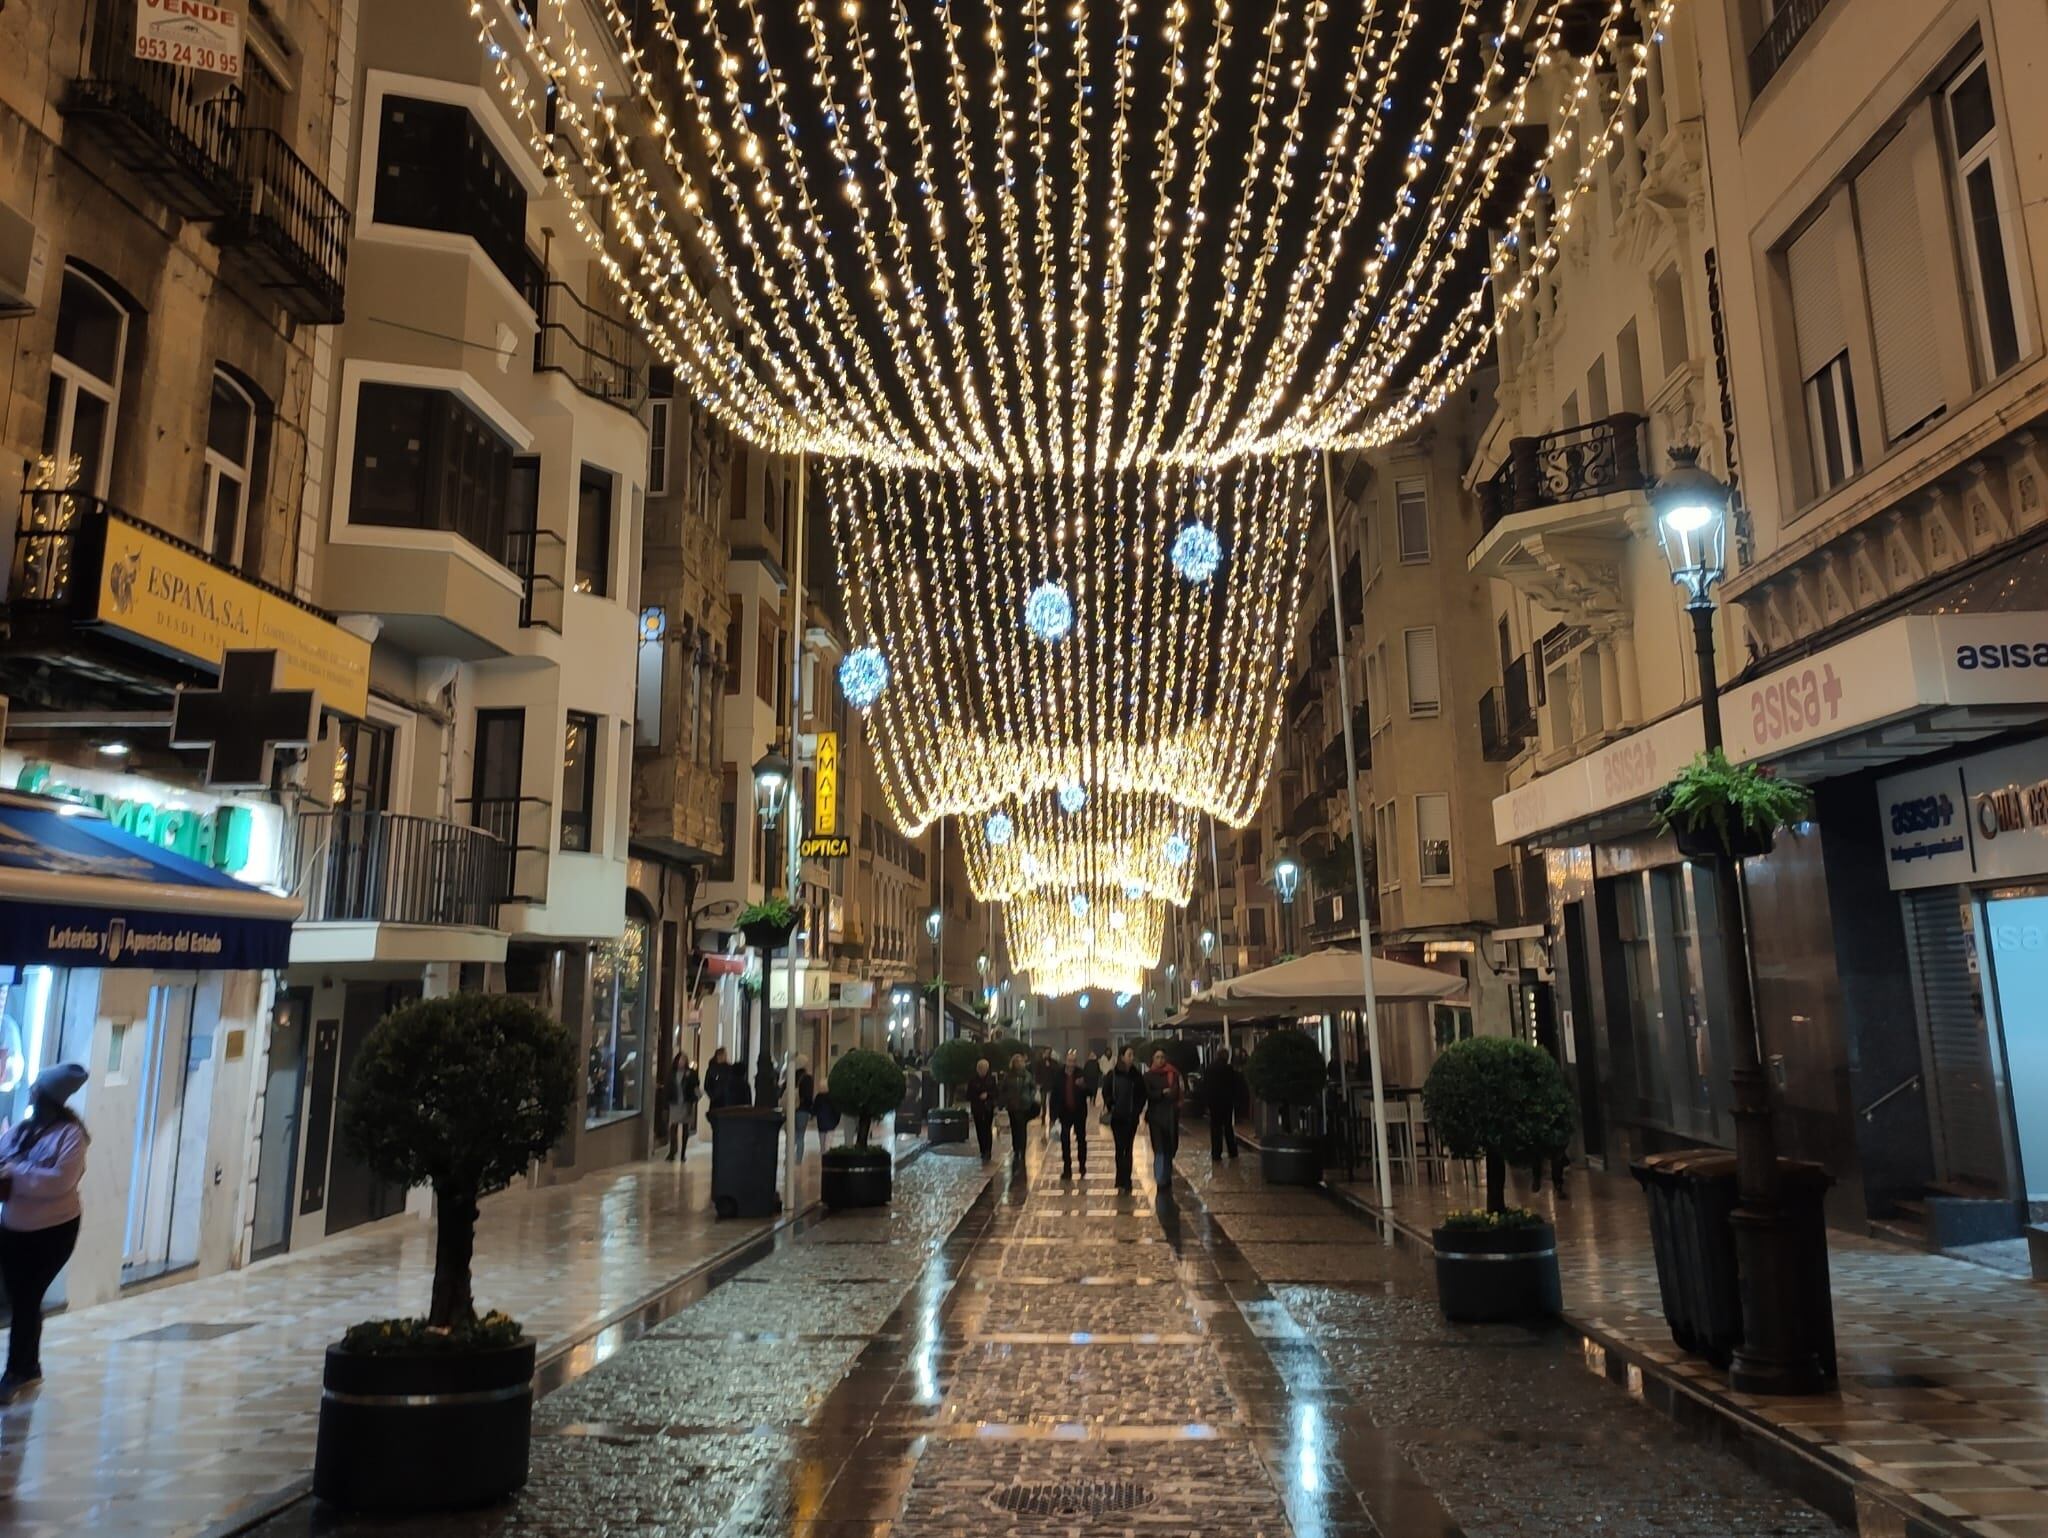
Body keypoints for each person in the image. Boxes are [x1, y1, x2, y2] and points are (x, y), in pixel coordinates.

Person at [0, 1063, 89, 1403]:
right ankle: (28, 1366)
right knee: (23, 1297)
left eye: (38, 1089)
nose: (32, 1092)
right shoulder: (23, 1129)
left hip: (52, 1232)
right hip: (13, 1227)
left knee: (26, 1297)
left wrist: (17, 1172)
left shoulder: (71, 1137)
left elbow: (60, 1181)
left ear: (49, 1098)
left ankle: (15, 1372)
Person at [1102, 1046, 1145, 1192]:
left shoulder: (1136, 1075)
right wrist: (1110, 1104)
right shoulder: (1113, 1075)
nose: (1132, 1057)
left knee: (1129, 1148)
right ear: (1122, 1057)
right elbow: (1106, 1091)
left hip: (1131, 1118)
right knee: (1120, 1149)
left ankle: (1127, 1179)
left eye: (1132, 1055)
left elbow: (1141, 1095)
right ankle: (1120, 1179)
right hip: (1117, 1117)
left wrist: (1137, 1110)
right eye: (1129, 1054)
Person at [1144, 1049, 1182, 1189]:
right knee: (1159, 1147)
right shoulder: (1148, 1076)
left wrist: (1171, 1094)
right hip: (1156, 1117)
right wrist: (1161, 1093)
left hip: (1171, 1115)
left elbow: (1177, 1091)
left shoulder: (1172, 1073)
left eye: (1162, 1057)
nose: (1160, 1060)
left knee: (1170, 1146)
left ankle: (1166, 1175)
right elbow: (1147, 1094)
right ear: (1152, 1059)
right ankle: (1160, 1178)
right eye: (1157, 1057)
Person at [1055, 1049, 1093, 1180]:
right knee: (1065, 1140)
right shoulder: (1059, 1074)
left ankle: (1082, 1165)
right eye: (1069, 1061)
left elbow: (1090, 1092)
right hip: (1064, 1113)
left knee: (1081, 1140)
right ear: (1066, 1060)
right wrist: (1053, 1115)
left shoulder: (1081, 1073)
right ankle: (1067, 1168)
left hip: (1079, 1113)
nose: (1071, 1064)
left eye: (1074, 1061)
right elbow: (1054, 1095)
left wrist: (1083, 1086)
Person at [1204, 1047, 1241, 1161]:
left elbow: (1206, 1087)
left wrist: (1207, 1102)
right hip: (1227, 1103)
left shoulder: (1210, 1069)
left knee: (1215, 1129)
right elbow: (1235, 1086)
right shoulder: (1229, 1069)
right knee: (1228, 1127)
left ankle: (1216, 1153)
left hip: (1214, 1103)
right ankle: (1232, 1151)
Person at [1004, 1053, 1039, 1169]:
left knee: (1022, 1127)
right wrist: (1005, 1100)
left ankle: (1022, 1150)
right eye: (1016, 1061)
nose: (1019, 1063)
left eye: (1020, 1061)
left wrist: (1031, 1096)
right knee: (1015, 1127)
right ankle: (1016, 1148)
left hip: (1024, 1105)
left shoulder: (1027, 1075)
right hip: (1012, 1105)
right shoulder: (1009, 1076)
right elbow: (1004, 1089)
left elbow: (1033, 1087)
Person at [667, 1052, 701, 1161]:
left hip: (687, 1103)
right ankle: (672, 1151)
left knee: (685, 1128)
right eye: (680, 1060)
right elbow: (667, 1088)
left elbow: (696, 1085)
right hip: (675, 1103)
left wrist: (689, 1077)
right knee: (673, 1127)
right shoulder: (672, 1073)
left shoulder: (691, 1073)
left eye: (684, 1060)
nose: (682, 1062)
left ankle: (683, 1153)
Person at [966, 1057, 999, 1161]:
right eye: (980, 1068)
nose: (982, 1070)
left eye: (984, 1068)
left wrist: (988, 1095)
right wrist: (977, 1097)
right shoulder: (972, 1080)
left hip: (988, 1107)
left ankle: (988, 1150)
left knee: (987, 1129)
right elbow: (968, 1095)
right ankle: (982, 1150)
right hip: (977, 1107)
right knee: (980, 1129)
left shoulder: (991, 1079)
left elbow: (996, 1092)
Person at [1036, 1050, 1061, 1144]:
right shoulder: (1040, 1062)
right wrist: (1038, 1082)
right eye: (1045, 1053)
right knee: (1043, 1102)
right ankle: (1043, 1117)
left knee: (1051, 1103)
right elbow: (1037, 1073)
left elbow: (1056, 1072)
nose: (1047, 1054)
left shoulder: (1054, 1063)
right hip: (1043, 1085)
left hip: (1051, 1085)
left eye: (1048, 1053)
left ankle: (1051, 1118)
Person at [793, 1055, 816, 1157]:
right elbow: (808, 1096)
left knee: (792, 1135)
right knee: (800, 1135)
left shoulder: (791, 1076)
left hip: (791, 1109)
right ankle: (798, 1158)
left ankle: (789, 1156)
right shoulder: (807, 1078)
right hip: (803, 1110)